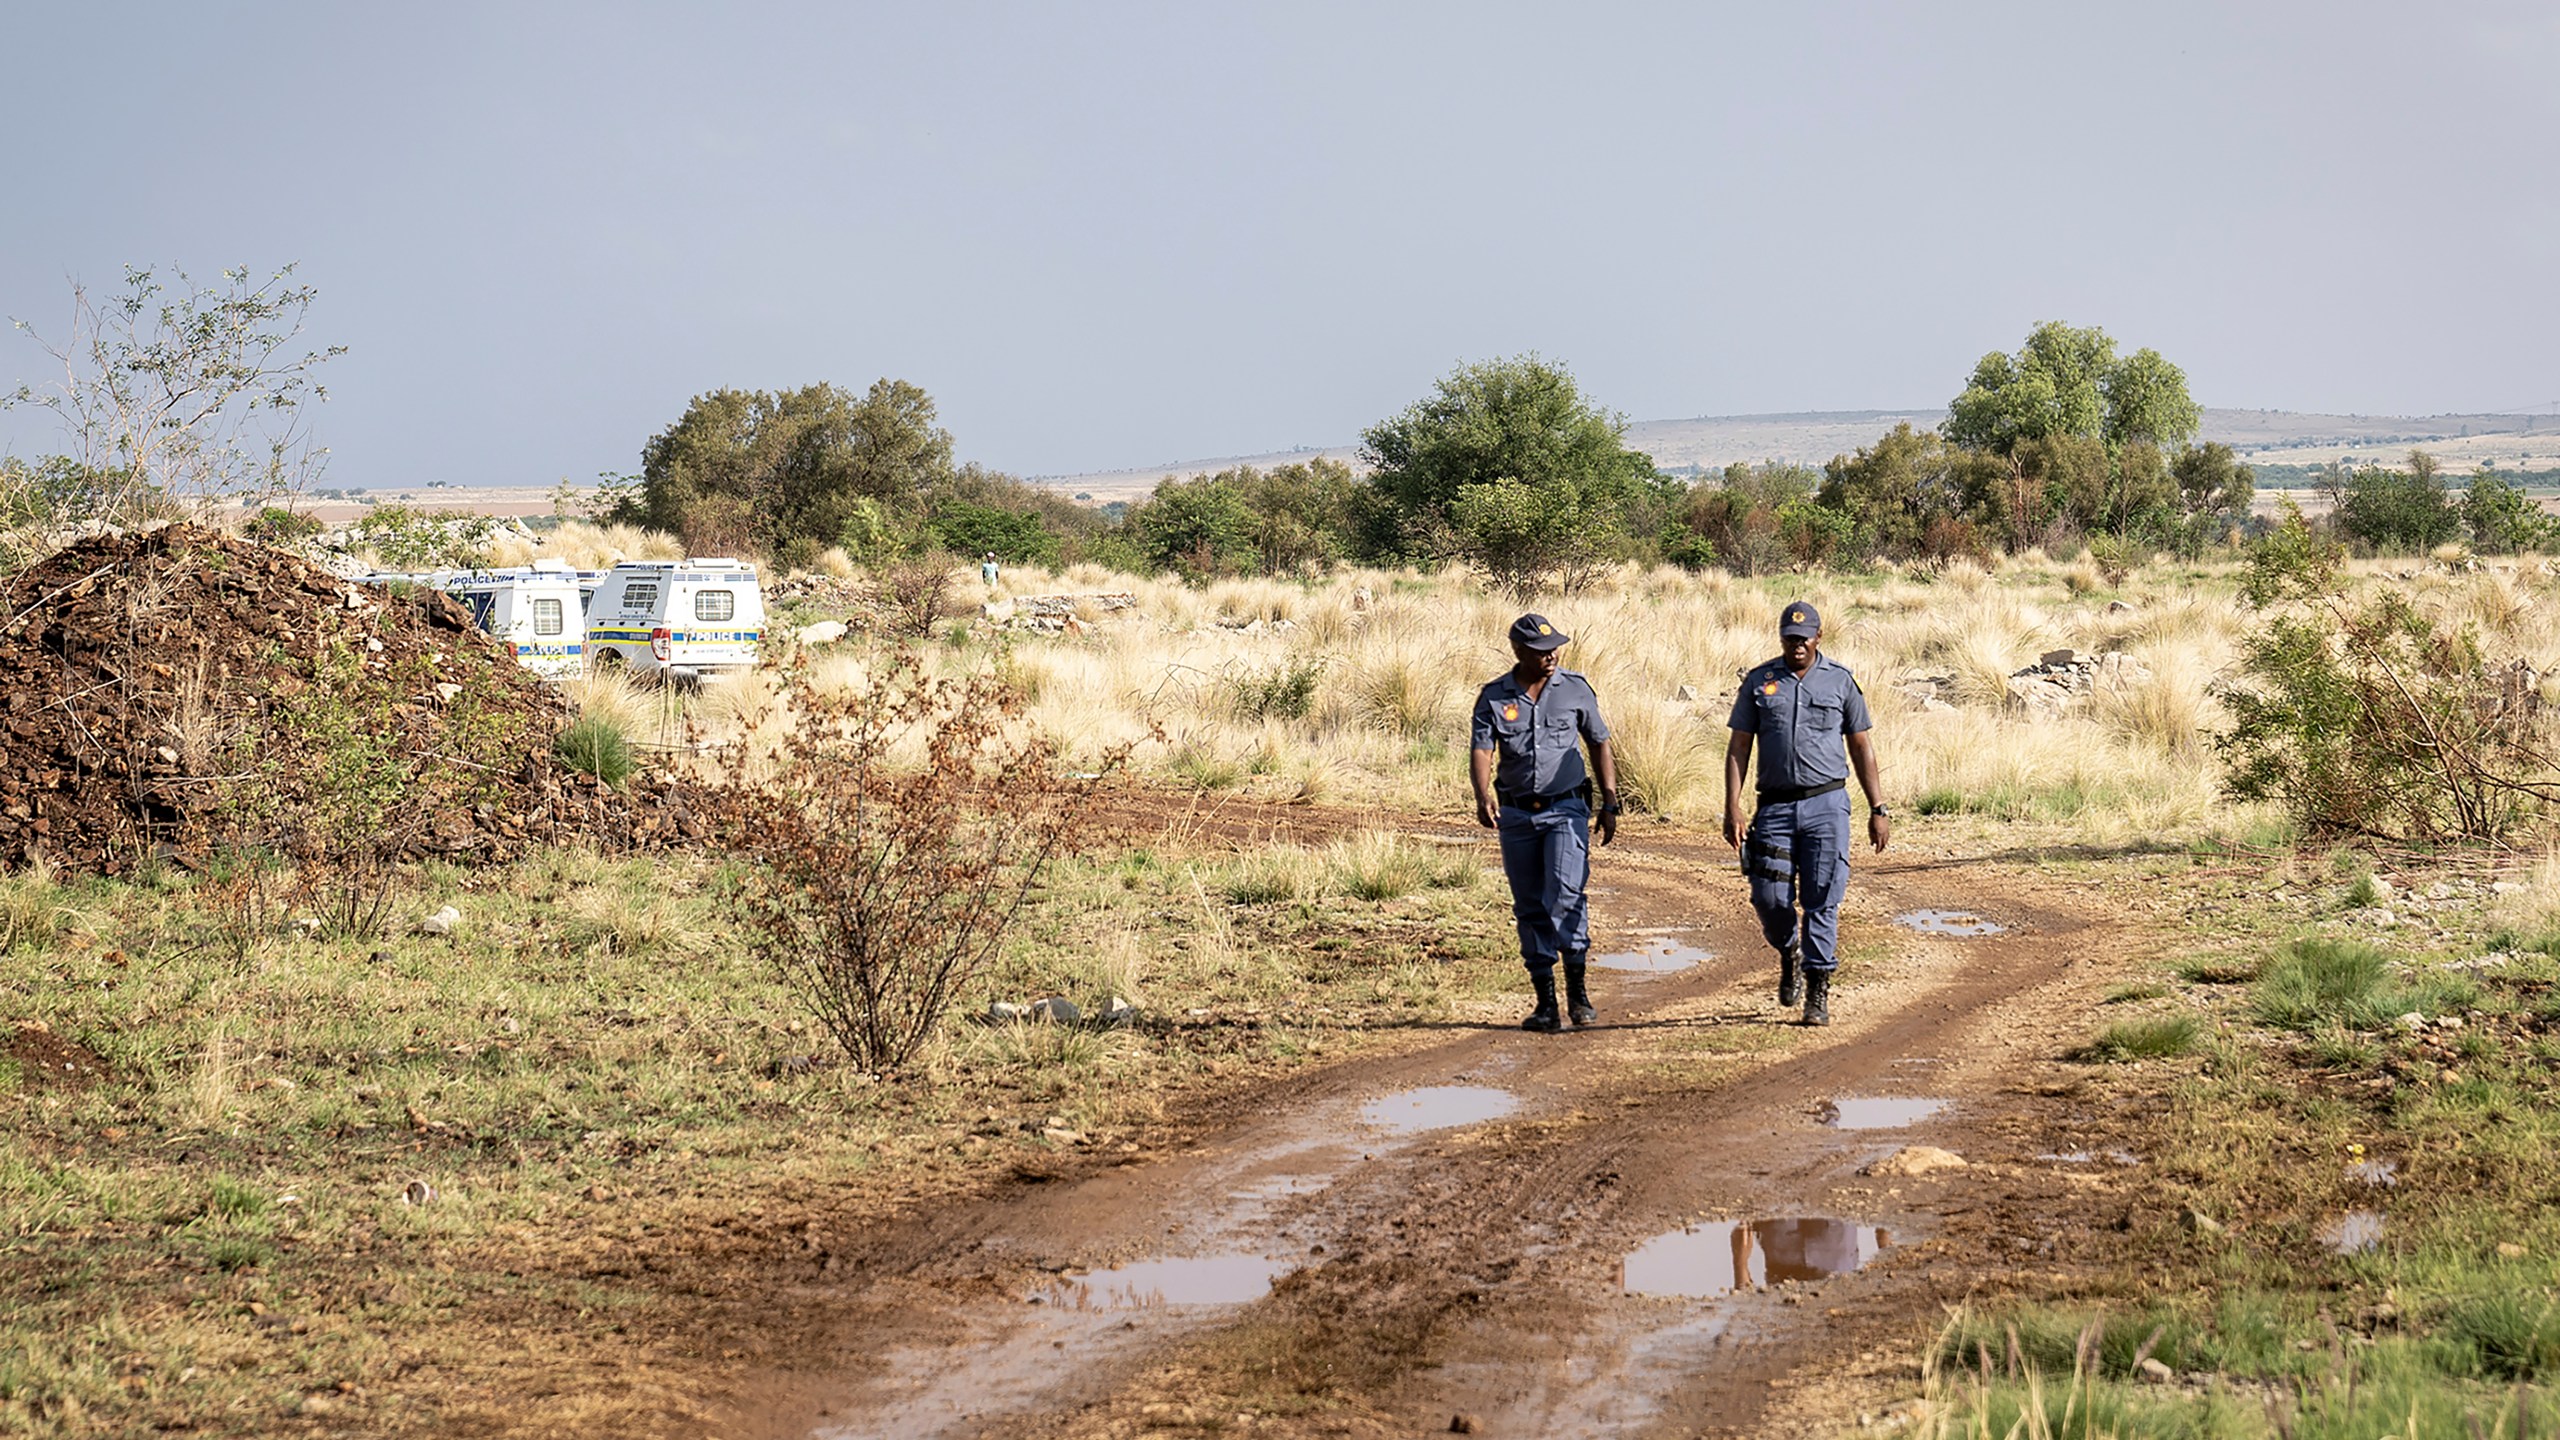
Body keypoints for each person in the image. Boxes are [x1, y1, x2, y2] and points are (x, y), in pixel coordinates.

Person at [1722, 600, 1889, 1026]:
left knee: (1822, 901)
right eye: (1789, 638)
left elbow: (1861, 745)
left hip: (1827, 806)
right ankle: (1788, 950)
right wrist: (1732, 806)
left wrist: (1878, 808)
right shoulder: (1761, 681)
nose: (1796, 645)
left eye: (1804, 638)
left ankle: (1818, 990)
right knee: (1768, 897)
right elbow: (1739, 746)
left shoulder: (1840, 682)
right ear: (1781, 638)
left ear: (1818, 638)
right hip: (1774, 809)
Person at [1471, 613, 1620, 1032]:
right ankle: (1545, 1003)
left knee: (1565, 894)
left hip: (1566, 809)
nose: (1551, 654)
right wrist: (1482, 795)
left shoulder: (1575, 689)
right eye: (1540, 650)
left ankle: (1578, 993)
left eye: (1555, 646)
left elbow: (1598, 741)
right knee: (1530, 905)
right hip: (1516, 813)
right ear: (1518, 652)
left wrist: (1610, 801)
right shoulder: (1494, 696)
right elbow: (1482, 749)